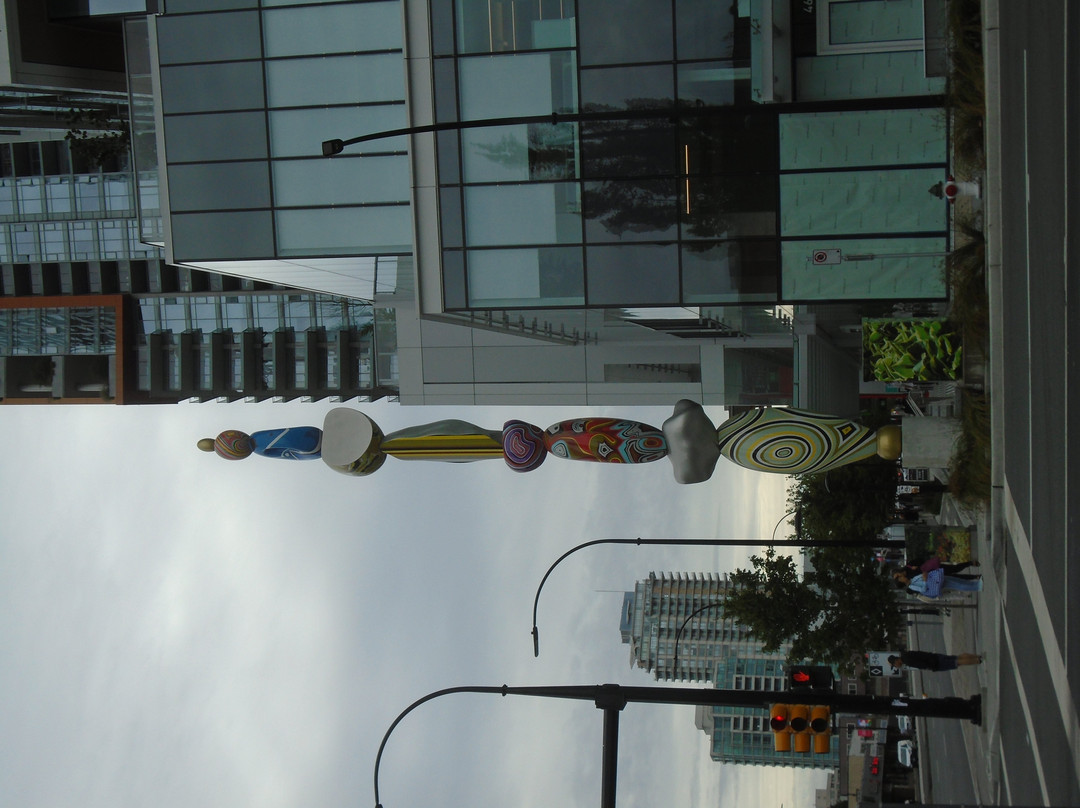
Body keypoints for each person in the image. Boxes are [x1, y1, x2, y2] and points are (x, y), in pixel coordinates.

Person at [893, 568, 982, 595]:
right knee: (957, 585)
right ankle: (977, 587)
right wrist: (925, 580)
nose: (902, 576)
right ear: (901, 581)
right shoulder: (912, 586)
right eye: (900, 578)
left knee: (957, 580)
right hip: (936, 583)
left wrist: (924, 575)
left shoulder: (912, 579)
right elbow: (923, 589)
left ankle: (976, 584)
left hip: (937, 578)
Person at [888, 651, 981, 672]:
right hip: (934, 656)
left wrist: (931, 667)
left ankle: (977, 660)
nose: (896, 666)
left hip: (935, 663)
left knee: (957, 662)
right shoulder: (906, 654)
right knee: (957, 658)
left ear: (896, 661)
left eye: (894, 664)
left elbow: (922, 664)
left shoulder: (907, 661)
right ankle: (977, 656)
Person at [902, 555, 980, 580]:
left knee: (954, 569)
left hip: (935, 568)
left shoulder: (909, 566)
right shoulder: (909, 578)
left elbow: (920, 559)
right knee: (955, 577)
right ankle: (974, 577)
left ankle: (969, 563)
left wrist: (917, 566)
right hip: (934, 577)